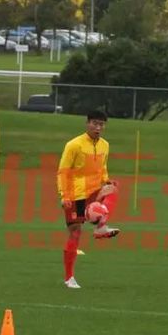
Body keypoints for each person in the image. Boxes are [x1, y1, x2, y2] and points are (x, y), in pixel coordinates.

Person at [57, 110, 120, 289]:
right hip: (75, 194)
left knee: (113, 187)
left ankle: (101, 227)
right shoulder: (74, 145)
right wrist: (65, 196)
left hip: (94, 191)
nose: (98, 127)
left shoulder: (105, 145)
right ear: (87, 123)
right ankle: (69, 277)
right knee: (75, 232)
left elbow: (102, 168)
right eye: (95, 123)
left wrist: (106, 180)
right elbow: (63, 171)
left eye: (101, 124)